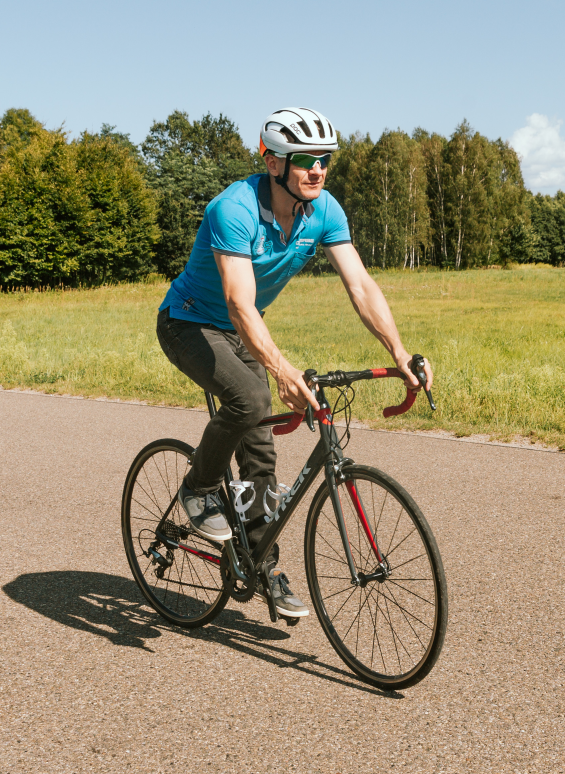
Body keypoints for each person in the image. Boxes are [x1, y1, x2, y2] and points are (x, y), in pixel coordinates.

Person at [155, 106, 434, 622]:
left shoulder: (324, 211)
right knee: (252, 398)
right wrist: (282, 371)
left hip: (244, 332)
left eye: (325, 159)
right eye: (305, 159)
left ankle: (264, 568)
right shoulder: (232, 209)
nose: (318, 169)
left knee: (261, 458)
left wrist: (398, 353)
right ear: (274, 162)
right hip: (189, 324)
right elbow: (238, 303)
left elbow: (360, 285)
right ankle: (197, 488)